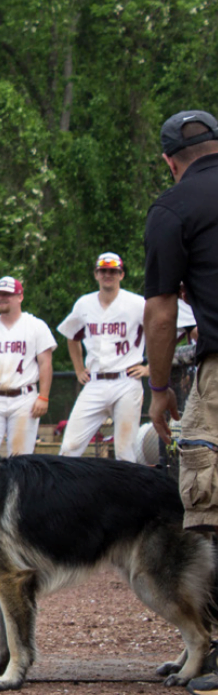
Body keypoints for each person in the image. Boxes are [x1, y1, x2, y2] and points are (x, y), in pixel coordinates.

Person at [144, 109, 216, 541]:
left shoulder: (173, 208)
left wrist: (158, 389)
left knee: (208, 498)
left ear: (170, 162)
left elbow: (161, 314)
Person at [56, 253, 148, 462]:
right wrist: (79, 368)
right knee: (70, 446)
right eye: (103, 271)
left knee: (125, 451)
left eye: (113, 271)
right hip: (95, 382)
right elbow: (72, 335)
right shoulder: (84, 304)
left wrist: (150, 367)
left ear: (121, 274)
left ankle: (127, 495)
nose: (108, 275)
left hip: (127, 380)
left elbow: (159, 331)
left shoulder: (137, 303)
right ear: (96, 274)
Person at [0, 277, 55, 456]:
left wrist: (43, 397)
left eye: (7, 294)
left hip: (24, 398)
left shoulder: (36, 326)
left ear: (20, 297)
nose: (1, 298)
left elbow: (45, 363)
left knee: (21, 457)